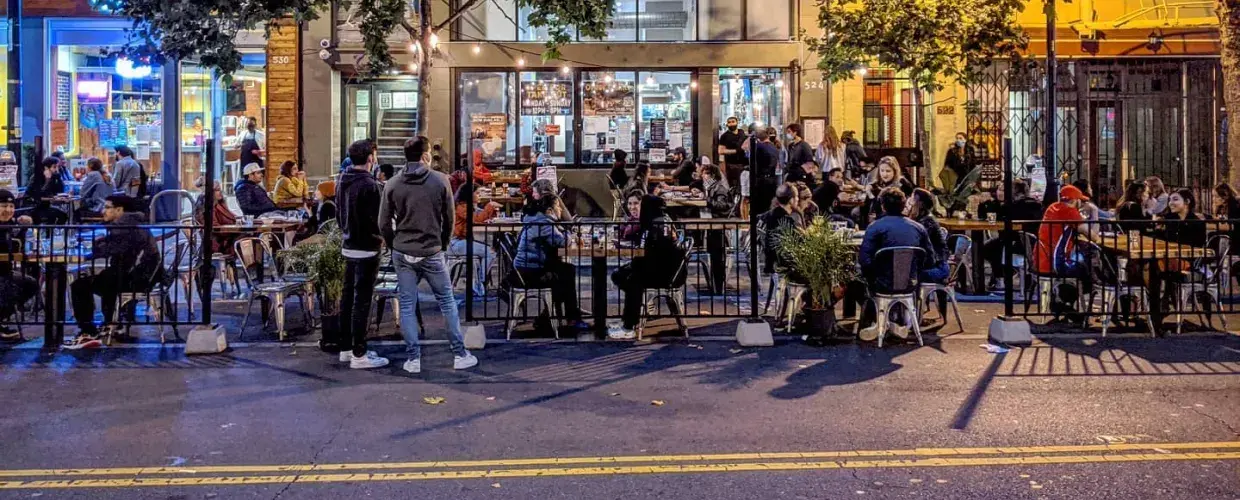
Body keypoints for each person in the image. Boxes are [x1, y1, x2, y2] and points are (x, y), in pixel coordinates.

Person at [380, 136, 478, 373]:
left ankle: (413, 359)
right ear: (425, 155)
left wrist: (395, 245)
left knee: (407, 305)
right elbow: (450, 217)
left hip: (403, 250)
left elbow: (383, 222)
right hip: (432, 250)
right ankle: (459, 354)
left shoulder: (392, 184)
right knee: (446, 302)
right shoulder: (440, 180)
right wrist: (443, 244)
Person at [66, 195, 165, 349]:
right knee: (105, 277)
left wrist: (95, 247)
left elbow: (111, 249)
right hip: (141, 276)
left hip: (134, 280)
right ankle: (112, 322)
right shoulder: (131, 223)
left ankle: (88, 331)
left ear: (119, 210)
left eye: (107, 207)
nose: (102, 211)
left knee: (80, 285)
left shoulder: (123, 227)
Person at [328, 139, 389, 369]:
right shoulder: (370, 185)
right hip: (367, 247)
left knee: (347, 298)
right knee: (362, 301)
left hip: (348, 244)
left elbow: (338, 214)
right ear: (370, 158)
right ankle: (359, 354)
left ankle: (346, 348)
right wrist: (383, 238)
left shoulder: (342, 180)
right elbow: (378, 220)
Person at [854, 187, 935, 339]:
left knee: (856, 283)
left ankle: (875, 322)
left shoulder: (875, 227)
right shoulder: (918, 227)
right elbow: (929, 259)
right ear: (904, 206)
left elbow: (864, 261)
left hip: (881, 283)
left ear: (883, 206)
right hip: (910, 283)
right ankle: (891, 321)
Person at [608, 195, 688, 339]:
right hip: (663, 269)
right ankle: (636, 313)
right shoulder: (660, 221)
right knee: (619, 274)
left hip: (665, 274)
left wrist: (635, 264)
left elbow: (655, 254)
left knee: (633, 280)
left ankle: (629, 326)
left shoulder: (657, 226)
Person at [509, 194, 589, 331]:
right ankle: (569, 319)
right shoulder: (544, 224)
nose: (560, 210)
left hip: (526, 268)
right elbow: (563, 241)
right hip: (529, 273)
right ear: (549, 211)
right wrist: (568, 233)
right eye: (558, 206)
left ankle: (548, 318)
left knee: (566, 271)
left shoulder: (536, 220)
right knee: (565, 277)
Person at [1033, 185, 1101, 298]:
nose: (1082, 204)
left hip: (1040, 260)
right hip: (1055, 264)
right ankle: (1077, 299)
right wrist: (1094, 212)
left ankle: (1068, 298)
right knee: (1084, 267)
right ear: (1075, 200)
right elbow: (1094, 237)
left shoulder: (1052, 207)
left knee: (1082, 262)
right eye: (1081, 201)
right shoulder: (1070, 212)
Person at [980, 179, 1045, 288]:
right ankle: (1004, 277)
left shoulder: (1013, 206)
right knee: (995, 245)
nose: (999, 192)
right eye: (999, 189)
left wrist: (987, 204)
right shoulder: (1034, 204)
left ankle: (1000, 278)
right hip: (1034, 243)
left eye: (1003, 190)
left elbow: (995, 218)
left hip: (1018, 244)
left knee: (990, 248)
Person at [450, 183, 500, 298]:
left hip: (460, 241)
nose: (479, 196)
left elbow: (479, 217)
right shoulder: (461, 207)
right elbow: (476, 219)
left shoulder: (467, 206)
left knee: (488, 250)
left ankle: (479, 281)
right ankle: (480, 282)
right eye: (477, 193)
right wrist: (490, 206)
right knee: (491, 252)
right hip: (455, 243)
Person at [0, 191, 36, 340]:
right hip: (2, 273)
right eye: (3, 206)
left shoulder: (11, 224)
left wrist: (24, 227)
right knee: (6, 286)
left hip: (6, 270)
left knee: (30, 284)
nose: (8, 210)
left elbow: (18, 247)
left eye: (11, 206)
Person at [701, 164, 735, 294]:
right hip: (713, 223)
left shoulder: (719, 188)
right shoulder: (711, 187)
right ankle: (715, 285)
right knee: (714, 252)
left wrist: (707, 200)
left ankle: (718, 286)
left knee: (717, 254)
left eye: (705, 174)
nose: (703, 176)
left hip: (718, 223)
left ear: (712, 175)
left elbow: (721, 205)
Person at [905, 188, 949, 284]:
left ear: (919, 203)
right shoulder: (918, 218)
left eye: (911, 199)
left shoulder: (927, 221)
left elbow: (916, 242)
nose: (908, 201)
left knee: (902, 275)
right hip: (928, 264)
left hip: (937, 268)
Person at [759, 183, 804, 276]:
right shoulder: (785, 220)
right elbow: (801, 241)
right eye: (796, 197)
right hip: (784, 264)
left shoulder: (768, 215)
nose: (798, 199)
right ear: (791, 200)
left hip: (770, 262)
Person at [861, 156, 914, 227]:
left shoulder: (902, 183)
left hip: (897, 220)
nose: (884, 174)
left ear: (895, 171)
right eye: (882, 171)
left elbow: (911, 200)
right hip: (878, 219)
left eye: (888, 171)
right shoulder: (876, 185)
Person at [194, 179, 238, 255]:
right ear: (210, 192)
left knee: (251, 235)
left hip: (228, 236)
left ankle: (252, 265)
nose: (221, 192)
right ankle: (252, 265)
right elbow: (214, 228)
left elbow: (232, 216)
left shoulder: (220, 204)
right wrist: (235, 229)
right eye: (217, 190)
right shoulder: (207, 208)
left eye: (220, 189)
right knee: (247, 239)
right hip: (219, 241)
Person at [751, 129, 781, 216]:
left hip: (761, 180)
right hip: (772, 179)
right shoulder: (774, 147)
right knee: (768, 205)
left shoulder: (759, 147)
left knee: (760, 207)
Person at [718, 117, 747, 187]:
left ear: (737, 122)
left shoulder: (742, 133)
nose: (731, 124)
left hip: (744, 164)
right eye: (729, 122)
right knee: (733, 185)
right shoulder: (724, 136)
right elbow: (720, 151)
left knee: (743, 185)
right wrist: (736, 151)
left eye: (733, 122)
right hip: (732, 165)